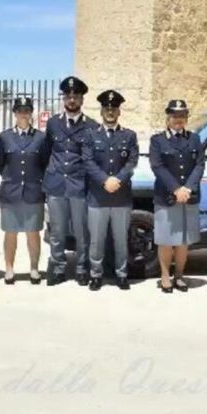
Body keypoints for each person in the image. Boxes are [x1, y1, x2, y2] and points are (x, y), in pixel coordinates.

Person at [83, 90, 139, 291]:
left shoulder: (129, 136)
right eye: (107, 108)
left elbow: (132, 162)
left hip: (121, 197)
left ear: (119, 112)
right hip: (97, 197)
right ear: (101, 111)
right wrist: (105, 180)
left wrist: (118, 180)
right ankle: (95, 274)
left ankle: (121, 274)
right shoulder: (90, 135)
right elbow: (88, 161)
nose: (110, 112)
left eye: (114, 108)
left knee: (121, 240)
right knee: (96, 240)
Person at [44, 76, 96, 286]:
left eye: (76, 96)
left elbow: (91, 157)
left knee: (82, 231)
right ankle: (58, 267)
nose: (72, 99)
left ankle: (83, 268)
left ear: (82, 99)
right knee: (57, 231)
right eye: (68, 96)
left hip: (79, 185)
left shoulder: (91, 126)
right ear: (64, 99)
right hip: (56, 184)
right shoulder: (53, 123)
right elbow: (47, 151)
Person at [149, 99, 205, 293]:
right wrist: (176, 189)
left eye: (182, 116)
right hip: (167, 197)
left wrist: (188, 188)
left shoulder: (194, 139)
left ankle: (179, 276)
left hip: (188, 196)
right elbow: (157, 166)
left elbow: (199, 165)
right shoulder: (157, 140)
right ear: (168, 117)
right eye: (175, 116)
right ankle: (165, 275)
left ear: (186, 118)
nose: (178, 119)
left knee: (183, 240)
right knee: (165, 240)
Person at [0, 97, 50, 285]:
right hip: (11, 191)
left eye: (27, 110)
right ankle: (9, 269)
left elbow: (45, 163)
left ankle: (34, 269)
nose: (23, 114)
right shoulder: (4, 137)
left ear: (31, 113)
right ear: (14, 113)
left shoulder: (41, 138)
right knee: (10, 232)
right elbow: (0, 163)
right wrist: (12, 179)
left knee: (33, 232)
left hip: (33, 191)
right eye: (20, 110)